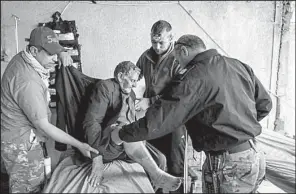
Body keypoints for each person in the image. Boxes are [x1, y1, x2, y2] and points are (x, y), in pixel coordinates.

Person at [112, 34, 272, 193]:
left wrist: (122, 134)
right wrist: (238, 127)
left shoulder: (194, 77)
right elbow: (265, 104)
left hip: (228, 162)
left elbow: (161, 119)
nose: (177, 63)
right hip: (254, 154)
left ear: (183, 51)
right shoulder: (237, 65)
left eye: (176, 57)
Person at [1, 26, 98, 193]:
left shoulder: (26, 58)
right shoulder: (27, 82)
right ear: (33, 50)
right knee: (28, 186)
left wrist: (61, 53)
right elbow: (44, 126)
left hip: (25, 135)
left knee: (41, 180)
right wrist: (80, 145)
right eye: (50, 54)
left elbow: (50, 51)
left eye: (55, 53)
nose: (54, 59)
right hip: (22, 145)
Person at [82, 61, 182, 191]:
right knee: (125, 131)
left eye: (136, 81)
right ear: (120, 76)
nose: (135, 85)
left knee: (160, 160)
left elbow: (132, 120)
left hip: (127, 145)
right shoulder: (105, 87)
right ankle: (157, 175)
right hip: (107, 143)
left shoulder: (131, 94)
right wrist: (96, 157)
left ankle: (153, 187)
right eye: (132, 80)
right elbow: (91, 122)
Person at [135, 20, 186, 182]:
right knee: (155, 159)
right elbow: (135, 79)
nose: (156, 47)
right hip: (153, 117)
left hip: (175, 118)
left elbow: (179, 93)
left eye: (161, 43)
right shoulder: (145, 57)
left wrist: (149, 101)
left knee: (175, 162)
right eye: (153, 42)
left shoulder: (179, 60)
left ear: (172, 38)